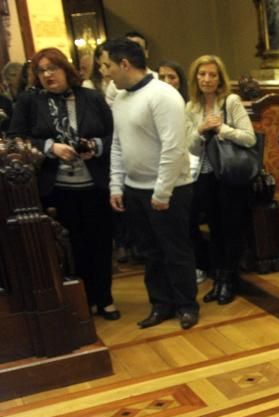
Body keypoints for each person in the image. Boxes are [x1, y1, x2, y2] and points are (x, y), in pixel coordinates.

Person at [9, 47, 118, 319]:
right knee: (72, 247)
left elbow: (113, 135)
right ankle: (83, 300)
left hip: (94, 184)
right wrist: (49, 147)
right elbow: (15, 138)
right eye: (41, 70)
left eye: (52, 68)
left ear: (65, 70)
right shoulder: (28, 101)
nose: (47, 75)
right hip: (56, 188)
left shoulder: (91, 98)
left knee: (101, 243)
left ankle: (104, 298)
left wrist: (95, 145)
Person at [101, 37, 197, 329]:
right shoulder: (119, 97)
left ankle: (186, 305)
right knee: (150, 253)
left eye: (107, 66)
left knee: (175, 250)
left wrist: (162, 192)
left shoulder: (163, 95)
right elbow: (118, 144)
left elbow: (173, 148)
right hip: (135, 189)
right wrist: (116, 185)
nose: (105, 72)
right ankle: (161, 304)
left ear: (124, 64)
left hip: (170, 190)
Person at [184, 54, 255, 305]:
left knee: (231, 228)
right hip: (204, 174)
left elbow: (249, 138)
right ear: (195, 78)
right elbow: (189, 147)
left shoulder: (231, 101)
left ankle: (230, 281)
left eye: (212, 74)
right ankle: (218, 279)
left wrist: (221, 129)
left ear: (220, 78)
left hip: (230, 174)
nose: (207, 79)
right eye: (202, 74)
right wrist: (201, 131)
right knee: (214, 229)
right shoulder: (191, 107)